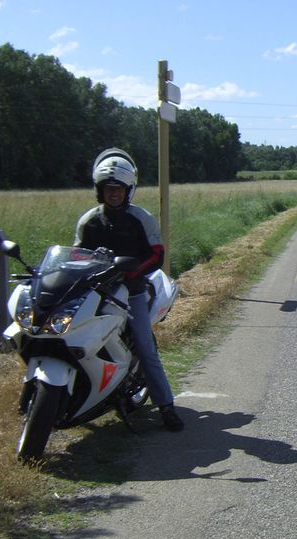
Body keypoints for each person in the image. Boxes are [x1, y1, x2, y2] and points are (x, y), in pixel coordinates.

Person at [74, 148, 184, 432]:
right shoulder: (90, 221)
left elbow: (156, 255)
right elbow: (76, 255)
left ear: (128, 190)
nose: (113, 193)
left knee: (145, 347)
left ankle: (166, 406)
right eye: (108, 188)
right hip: (96, 290)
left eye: (119, 189)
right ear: (99, 190)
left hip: (131, 291)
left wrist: (131, 272)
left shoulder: (140, 218)